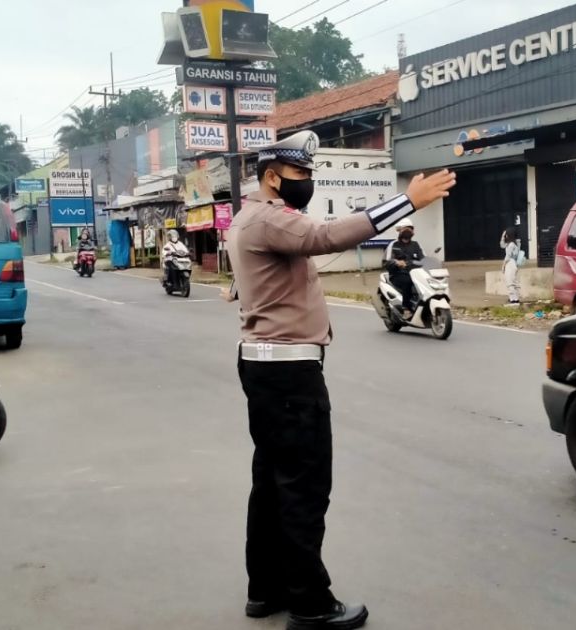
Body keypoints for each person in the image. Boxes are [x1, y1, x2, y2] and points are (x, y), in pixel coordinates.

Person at [227, 130, 455, 630]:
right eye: (300, 174)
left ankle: (265, 589)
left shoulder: (246, 219)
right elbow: (327, 237)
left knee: (270, 482)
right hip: (288, 373)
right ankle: (310, 602)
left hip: (264, 367)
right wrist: (406, 201)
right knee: (304, 487)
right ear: (271, 177)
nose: (307, 182)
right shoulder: (270, 217)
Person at [383, 218, 424, 316]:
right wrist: (396, 262)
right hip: (398, 274)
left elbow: (423, 259)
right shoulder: (393, 245)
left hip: (415, 273)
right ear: (399, 231)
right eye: (405, 229)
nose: (408, 231)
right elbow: (386, 262)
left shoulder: (416, 245)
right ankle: (406, 308)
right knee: (407, 281)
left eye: (410, 229)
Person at [501, 228, 522, 305]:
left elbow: (508, 257)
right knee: (513, 281)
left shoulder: (511, 245)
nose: (505, 236)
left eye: (506, 234)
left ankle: (513, 299)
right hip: (514, 263)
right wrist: (503, 236)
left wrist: (503, 266)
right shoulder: (515, 244)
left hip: (510, 263)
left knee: (509, 281)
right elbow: (502, 245)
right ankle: (515, 298)